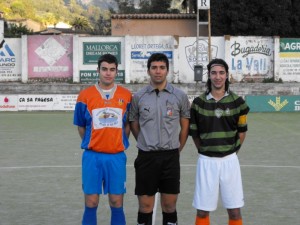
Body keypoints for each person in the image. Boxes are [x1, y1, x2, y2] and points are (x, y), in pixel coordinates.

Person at [129, 52, 190, 225]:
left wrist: (177, 149)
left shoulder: (179, 96)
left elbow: (185, 126)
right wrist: (144, 141)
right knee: (145, 206)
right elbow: (134, 123)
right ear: (148, 71)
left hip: (170, 157)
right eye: (154, 67)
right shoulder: (138, 97)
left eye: (162, 68)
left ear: (167, 70)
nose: (158, 71)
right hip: (146, 157)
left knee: (169, 206)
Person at [189, 58, 250, 225]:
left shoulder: (238, 103)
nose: (218, 77)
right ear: (208, 76)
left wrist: (232, 151)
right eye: (214, 73)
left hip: (230, 161)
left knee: (235, 211)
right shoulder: (198, 104)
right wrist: (205, 151)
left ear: (227, 75)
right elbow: (194, 134)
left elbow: (242, 131)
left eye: (221, 73)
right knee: (202, 211)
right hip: (206, 161)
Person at [73, 53, 132, 225]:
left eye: (112, 70)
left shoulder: (126, 95)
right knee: (91, 202)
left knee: (117, 202)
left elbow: (128, 124)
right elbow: (81, 125)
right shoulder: (85, 96)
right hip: (92, 157)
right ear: (98, 70)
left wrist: (118, 142)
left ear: (116, 72)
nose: (108, 73)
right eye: (104, 69)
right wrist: (94, 142)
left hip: (116, 157)